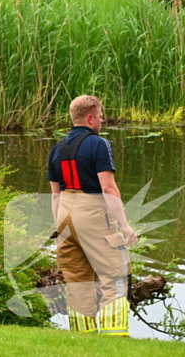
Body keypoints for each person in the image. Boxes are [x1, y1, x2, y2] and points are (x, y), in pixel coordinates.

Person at [48, 95, 137, 336]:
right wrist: (125, 226)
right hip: (92, 211)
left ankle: (83, 337)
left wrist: (58, 229)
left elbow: (55, 194)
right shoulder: (99, 144)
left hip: (64, 212)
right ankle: (115, 336)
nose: (101, 121)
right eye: (99, 117)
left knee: (77, 279)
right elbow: (108, 188)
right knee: (115, 275)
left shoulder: (57, 148)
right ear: (89, 118)